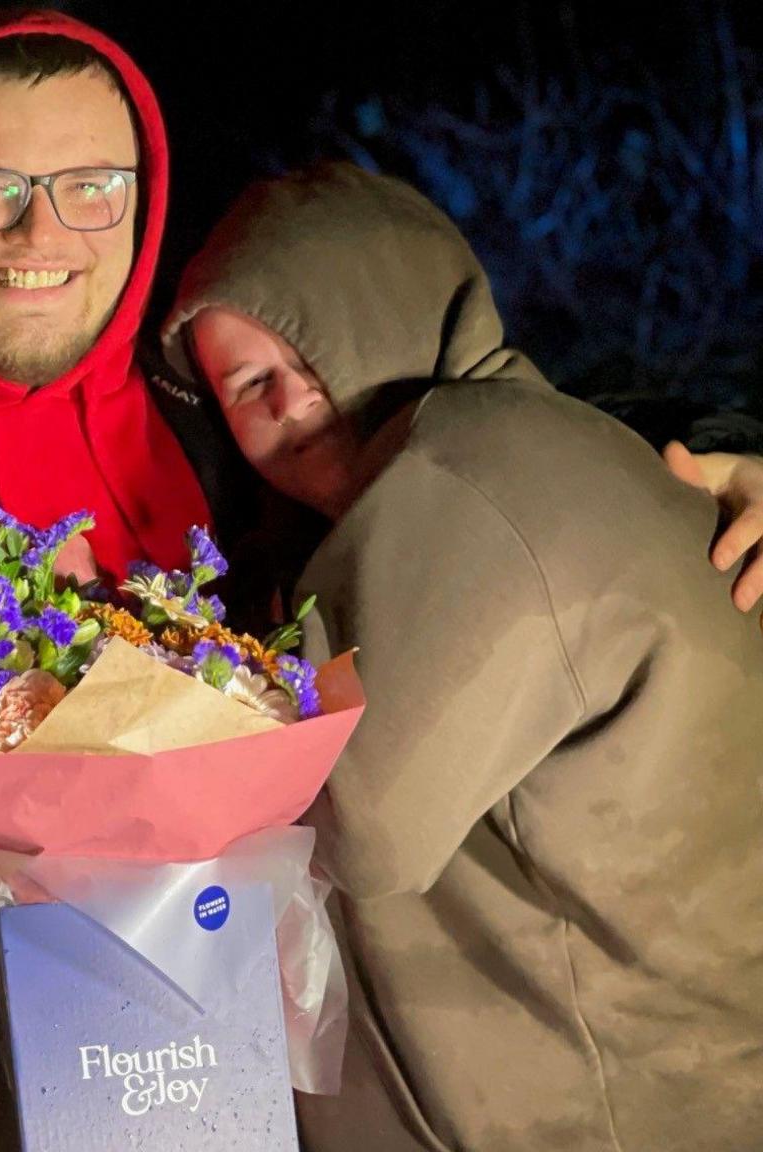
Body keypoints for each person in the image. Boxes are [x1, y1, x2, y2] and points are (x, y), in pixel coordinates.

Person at [0, 12, 763, 1151]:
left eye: (88, 183)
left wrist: (722, 455)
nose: (39, 230)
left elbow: (491, 434)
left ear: (140, 201)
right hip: (43, 1111)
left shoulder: (244, 423)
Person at [163, 161, 763, 1151]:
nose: (284, 402)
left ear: (389, 299)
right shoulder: (482, 469)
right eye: (244, 384)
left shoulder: (471, 463)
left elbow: (356, 817)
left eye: (306, 347)